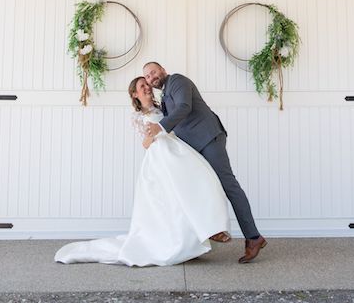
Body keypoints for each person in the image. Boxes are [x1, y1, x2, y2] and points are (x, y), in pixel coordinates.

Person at [54, 76, 229, 266]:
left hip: (178, 151)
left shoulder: (163, 108)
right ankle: (178, 241)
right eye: (142, 86)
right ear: (134, 94)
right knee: (171, 200)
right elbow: (145, 144)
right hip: (161, 157)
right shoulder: (138, 116)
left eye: (147, 84)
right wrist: (152, 133)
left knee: (199, 182)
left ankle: (202, 233)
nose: (147, 87)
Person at [142, 61, 267, 263]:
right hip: (194, 146)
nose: (151, 77)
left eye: (153, 72)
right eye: (147, 77)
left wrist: (160, 127)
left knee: (229, 186)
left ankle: (253, 237)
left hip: (208, 138)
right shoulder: (164, 95)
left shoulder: (177, 81)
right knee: (198, 189)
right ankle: (208, 233)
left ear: (163, 69)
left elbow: (184, 106)